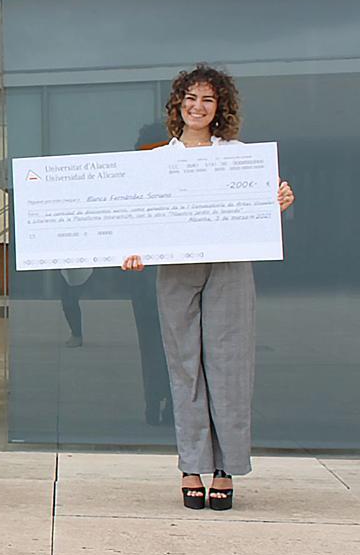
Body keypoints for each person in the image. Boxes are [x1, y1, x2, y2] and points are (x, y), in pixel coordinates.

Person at [121, 65, 295, 510]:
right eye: (190, 99)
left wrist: (279, 204)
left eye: (208, 100)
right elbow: (134, 218)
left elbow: (265, 219)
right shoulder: (157, 159)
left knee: (230, 364)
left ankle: (225, 468)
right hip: (176, 269)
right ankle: (190, 466)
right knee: (184, 365)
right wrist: (131, 249)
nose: (198, 107)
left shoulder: (240, 156)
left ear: (221, 108)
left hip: (230, 265)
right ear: (178, 105)